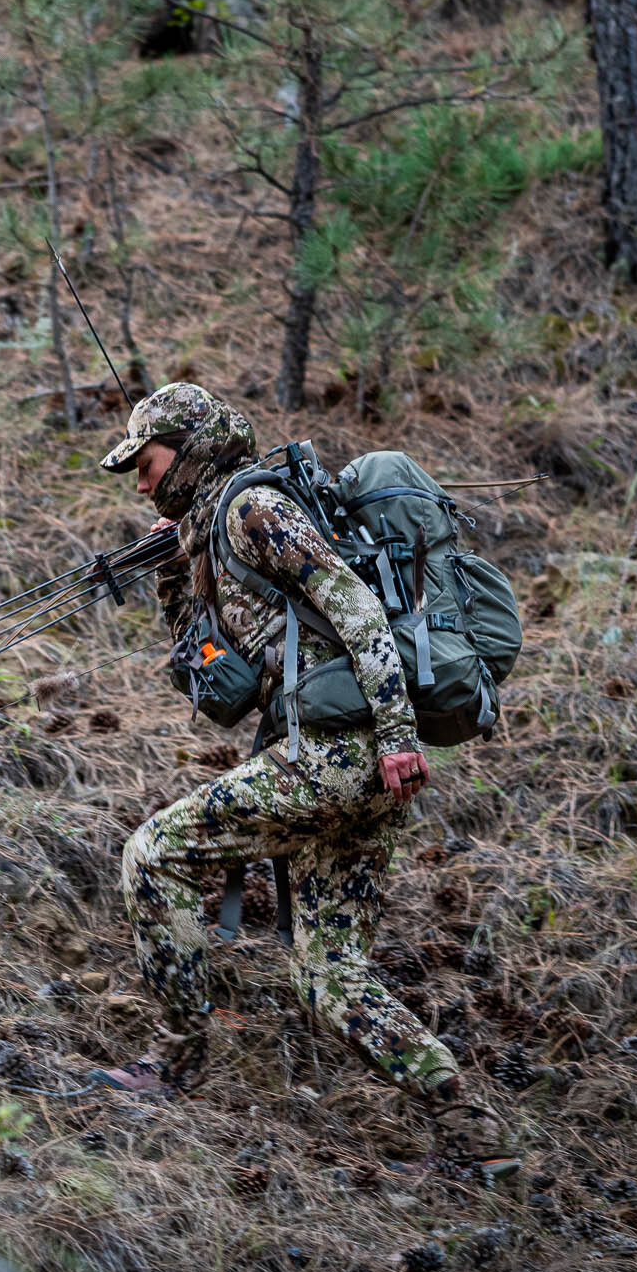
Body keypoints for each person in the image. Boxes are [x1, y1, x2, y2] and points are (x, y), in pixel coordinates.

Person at [88, 383, 463, 1110]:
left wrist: (395, 733)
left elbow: (353, 605)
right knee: (331, 973)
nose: (140, 481)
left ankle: (174, 1058)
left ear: (191, 452)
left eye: (149, 461)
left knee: (152, 856)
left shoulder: (250, 510)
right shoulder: (207, 534)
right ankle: (468, 1125)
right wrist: (175, 566)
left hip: (340, 755)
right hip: (349, 767)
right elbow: (213, 677)